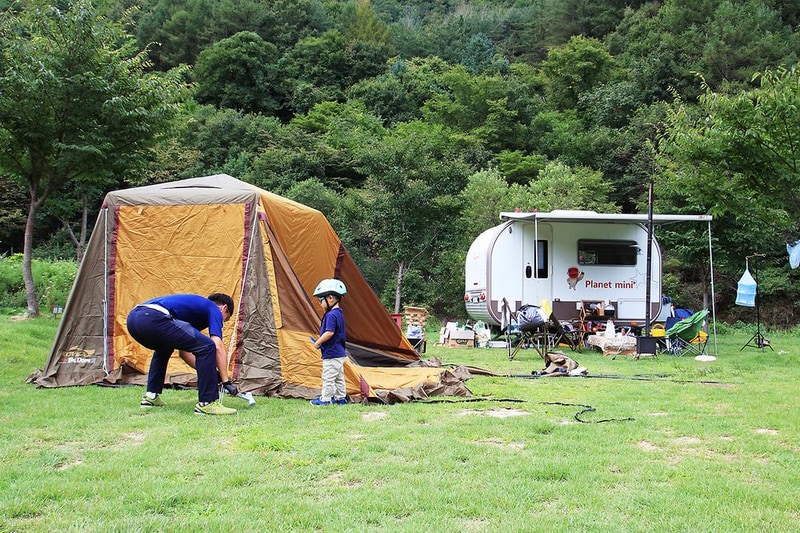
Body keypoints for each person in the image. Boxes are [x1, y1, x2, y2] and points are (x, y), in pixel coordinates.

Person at [126, 293, 237, 415]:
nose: (222, 322)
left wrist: (212, 374)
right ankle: (207, 403)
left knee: (164, 347)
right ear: (224, 308)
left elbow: (185, 353)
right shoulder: (214, 308)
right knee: (207, 346)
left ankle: (151, 396)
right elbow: (217, 345)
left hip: (133, 319)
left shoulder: (194, 312)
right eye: (226, 319)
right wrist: (226, 381)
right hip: (152, 317)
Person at [310, 279, 348, 406]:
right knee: (338, 378)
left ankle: (325, 399)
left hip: (331, 353)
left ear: (330, 298)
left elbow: (329, 332)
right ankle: (340, 398)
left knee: (328, 377)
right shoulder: (339, 313)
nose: (320, 303)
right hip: (339, 353)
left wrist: (318, 343)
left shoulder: (331, 315)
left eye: (320, 300)